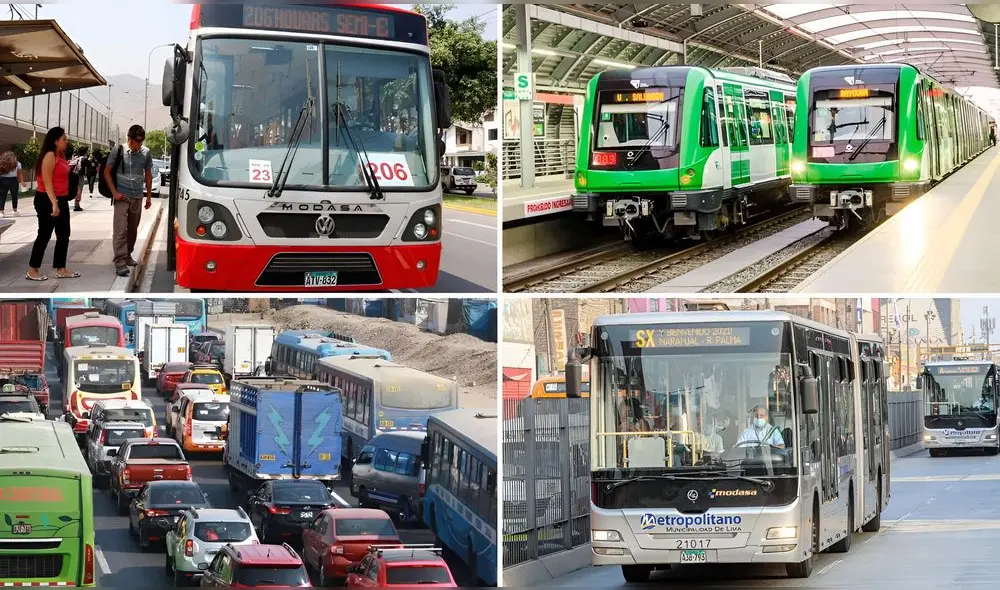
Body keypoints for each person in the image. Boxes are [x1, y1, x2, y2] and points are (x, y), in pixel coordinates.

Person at [26, 127, 80, 281]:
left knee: (63, 235)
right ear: (55, 141)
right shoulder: (49, 156)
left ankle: (61, 268)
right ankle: (32, 269)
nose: (66, 141)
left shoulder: (60, 155)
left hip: (60, 199)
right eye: (64, 139)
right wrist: (54, 204)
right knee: (44, 234)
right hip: (47, 200)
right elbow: (47, 182)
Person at [104, 124, 153, 277]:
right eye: (137, 141)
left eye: (142, 141)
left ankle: (128, 255)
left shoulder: (146, 153)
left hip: (137, 196)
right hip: (122, 196)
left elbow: (148, 174)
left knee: (132, 229)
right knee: (120, 230)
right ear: (129, 139)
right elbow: (106, 172)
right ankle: (119, 261)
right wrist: (114, 193)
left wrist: (149, 196)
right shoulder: (118, 150)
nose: (140, 144)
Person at [0, 150, 24, 217]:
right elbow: (20, 174)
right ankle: (15, 211)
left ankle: (1, 212)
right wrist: (22, 182)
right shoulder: (17, 163)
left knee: (2, 196)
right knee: (14, 196)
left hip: (3, 180)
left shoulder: (1, 163)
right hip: (13, 181)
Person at [68, 146, 88, 211]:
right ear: (85, 152)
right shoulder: (84, 159)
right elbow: (89, 165)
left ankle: (75, 203)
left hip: (73, 175)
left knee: (75, 189)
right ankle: (77, 204)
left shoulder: (76, 159)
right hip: (80, 176)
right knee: (79, 189)